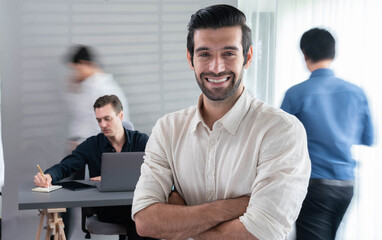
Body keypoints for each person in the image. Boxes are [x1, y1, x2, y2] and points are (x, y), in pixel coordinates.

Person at [132, 5, 311, 240]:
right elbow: (146, 221)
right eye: (205, 54)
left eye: (228, 53)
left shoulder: (281, 130)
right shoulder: (168, 129)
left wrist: (180, 215)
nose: (216, 67)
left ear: (247, 57)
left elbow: (260, 234)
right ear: (190, 59)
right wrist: (235, 207)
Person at [281, 28, 374, 240]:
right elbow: (368, 138)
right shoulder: (356, 93)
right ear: (333, 53)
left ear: (304, 54)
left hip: (312, 187)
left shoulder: (296, 94)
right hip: (345, 185)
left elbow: (278, 141)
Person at [34, 95, 148, 240]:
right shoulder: (92, 145)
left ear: (120, 116)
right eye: (99, 120)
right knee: (142, 219)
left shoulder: (141, 141)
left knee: (144, 217)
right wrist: (48, 176)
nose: (103, 125)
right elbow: (66, 166)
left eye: (107, 118)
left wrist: (110, 179)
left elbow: (156, 170)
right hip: (109, 210)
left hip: (136, 203)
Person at [65, 45, 130, 150]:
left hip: (94, 147)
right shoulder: (88, 85)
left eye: (77, 69)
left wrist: (88, 146)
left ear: (85, 64)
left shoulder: (101, 88)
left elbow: (109, 122)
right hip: (85, 145)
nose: (75, 73)